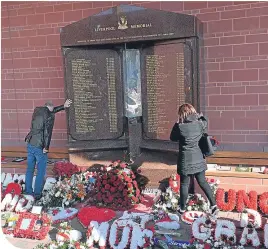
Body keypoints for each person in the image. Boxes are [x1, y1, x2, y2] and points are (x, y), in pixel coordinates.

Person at [170, 103, 218, 216]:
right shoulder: (201, 123)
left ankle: (182, 209)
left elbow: (172, 138)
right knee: (202, 182)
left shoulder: (180, 127)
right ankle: (214, 205)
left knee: (184, 184)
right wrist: (199, 117)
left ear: (182, 114)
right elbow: (204, 123)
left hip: (185, 160)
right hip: (199, 158)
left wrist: (177, 122)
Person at [24, 99, 72, 199]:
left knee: (30, 169)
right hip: (40, 147)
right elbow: (47, 133)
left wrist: (63, 106)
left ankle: (28, 192)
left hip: (30, 142)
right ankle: (37, 194)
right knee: (40, 170)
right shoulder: (49, 115)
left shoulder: (37, 110)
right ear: (49, 108)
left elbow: (51, 111)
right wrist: (46, 147)